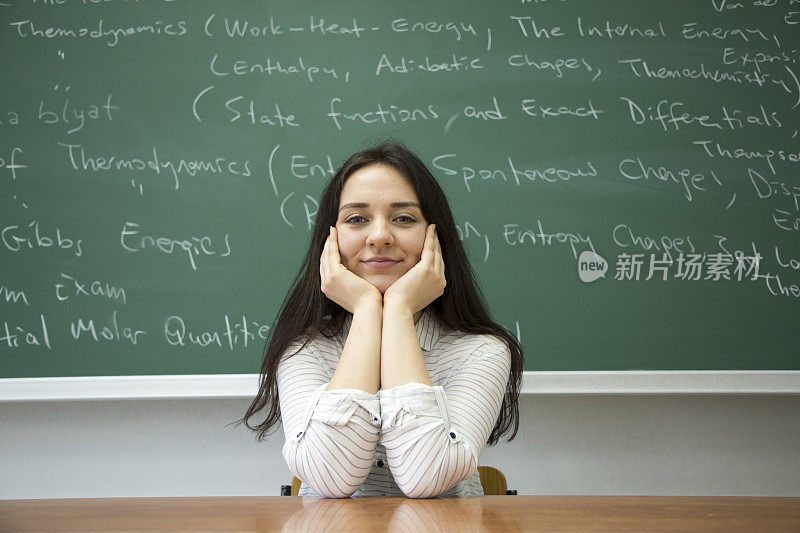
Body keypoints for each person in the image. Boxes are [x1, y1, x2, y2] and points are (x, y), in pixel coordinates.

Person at [243, 141, 523, 498]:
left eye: (404, 218)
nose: (379, 237)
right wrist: (366, 309)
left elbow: (425, 478)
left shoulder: (481, 351)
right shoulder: (303, 349)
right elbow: (331, 479)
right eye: (356, 219)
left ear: (435, 237)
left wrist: (400, 309)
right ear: (331, 240)